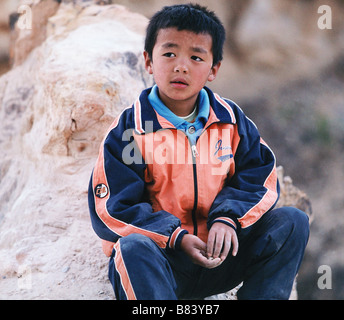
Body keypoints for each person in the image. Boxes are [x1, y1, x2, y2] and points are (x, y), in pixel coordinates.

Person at [88, 3, 309, 300]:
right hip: (165, 261)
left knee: (292, 222)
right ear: (148, 61)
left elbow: (260, 177)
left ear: (213, 69)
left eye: (196, 57)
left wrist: (228, 219)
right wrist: (175, 238)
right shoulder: (131, 130)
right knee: (132, 249)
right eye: (169, 53)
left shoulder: (231, 121)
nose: (181, 66)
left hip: (220, 257)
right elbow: (112, 209)